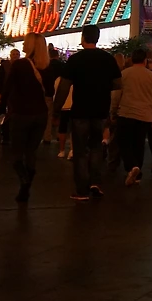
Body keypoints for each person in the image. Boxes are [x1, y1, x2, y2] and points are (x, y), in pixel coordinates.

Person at [63, 26, 122, 201]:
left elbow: (64, 86)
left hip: (80, 110)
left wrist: (57, 109)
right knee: (96, 146)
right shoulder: (108, 59)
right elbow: (118, 84)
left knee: (80, 150)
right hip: (100, 109)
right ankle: (95, 182)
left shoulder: (75, 59)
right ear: (97, 38)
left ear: (83, 38)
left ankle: (82, 190)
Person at [0, 33, 49, 202]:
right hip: (41, 113)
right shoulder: (47, 66)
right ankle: (25, 188)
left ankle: (24, 180)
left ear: (30, 45)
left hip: (21, 113)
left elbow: (7, 88)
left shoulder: (19, 65)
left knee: (16, 153)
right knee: (31, 151)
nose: (22, 46)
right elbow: (50, 91)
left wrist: (2, 109)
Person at [112, 48, 152, 185]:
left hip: (126, 113)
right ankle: (137, 174)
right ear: (145, 60)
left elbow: (116, 95)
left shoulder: (124, 74)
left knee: (123, 141)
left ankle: (132, 166)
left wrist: (113, 111)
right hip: (145, 115)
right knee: (139, 144)